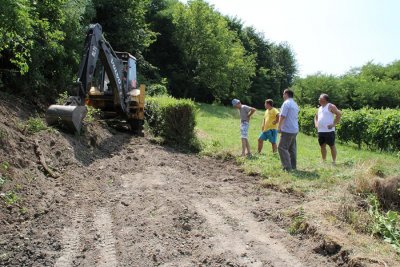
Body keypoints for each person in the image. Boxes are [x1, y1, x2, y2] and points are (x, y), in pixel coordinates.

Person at [314, 94, 341, 165]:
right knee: (322, 146)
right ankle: (324, 160)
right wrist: (316, 124)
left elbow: (338, 114)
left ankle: (334, 161)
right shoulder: (319, 108)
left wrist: (333, 124)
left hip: (329, 131)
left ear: (325, 99)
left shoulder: (330, 106)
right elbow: (316, 117)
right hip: (321, 131)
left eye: (320, 98)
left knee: (332, 146)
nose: (319, 99)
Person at [278, 89, 299, 171]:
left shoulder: (286, 103)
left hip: (287, 129)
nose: (283, 96)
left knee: (282, 147)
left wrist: (279, 127)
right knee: (292, 149)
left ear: (286, 94)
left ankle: (287, 167)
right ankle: (293, 166)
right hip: (294, 129)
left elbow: (282, 116)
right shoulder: (295, 104)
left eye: (283, 94)